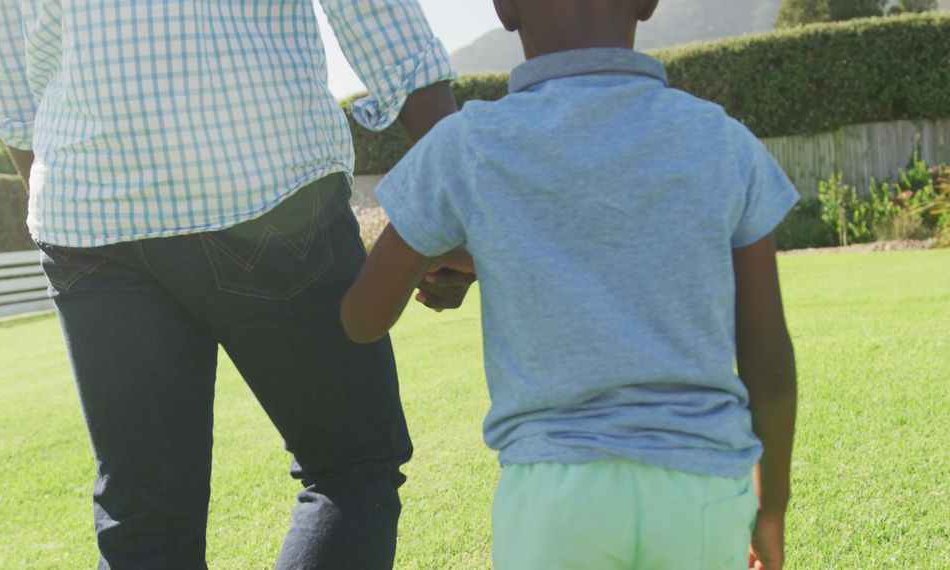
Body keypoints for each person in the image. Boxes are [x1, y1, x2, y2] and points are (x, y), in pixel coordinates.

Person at [0, 1, 476, 568]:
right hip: (265, 182)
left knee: (145, 517)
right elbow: (378, 15)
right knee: (351, 468)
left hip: (87, 214)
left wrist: (70, 195)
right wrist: (453, 199)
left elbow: (0, 64)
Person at [340, 0, 799, 568]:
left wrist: (456, 251)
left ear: (504, 9)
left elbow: (362, 320)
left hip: (551, 501)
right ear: (649, 2)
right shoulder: (722, 141)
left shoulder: (466, 145)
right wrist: (770, 507)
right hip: (700, 486)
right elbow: (769, 360)